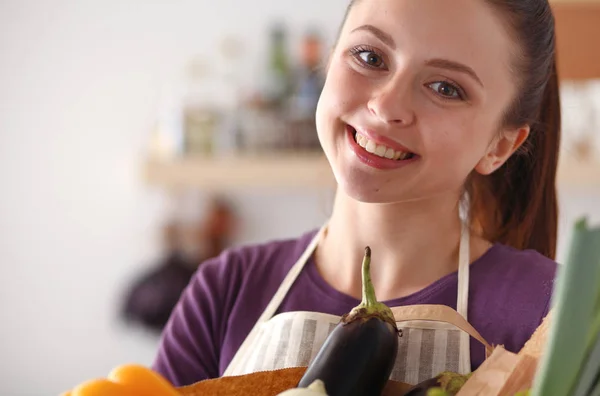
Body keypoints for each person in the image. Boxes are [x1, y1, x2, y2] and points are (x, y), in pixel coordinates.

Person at [152, 0, 561, 387]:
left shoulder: (556, 314)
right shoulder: (225, 291)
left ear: (500, 146)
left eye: (445, 88)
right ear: (329, 59)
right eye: (370, 57)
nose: (386, 105)